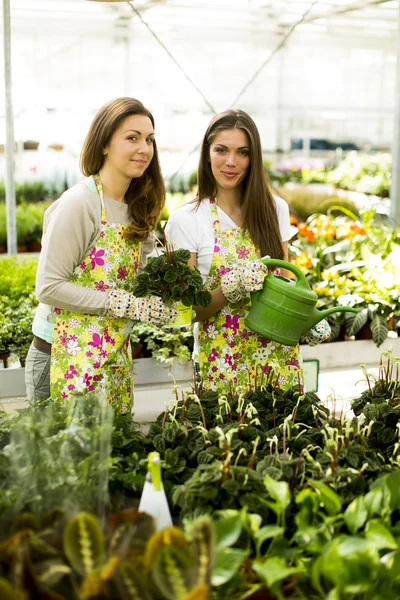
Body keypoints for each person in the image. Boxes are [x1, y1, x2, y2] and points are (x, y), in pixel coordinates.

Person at [25, 97, 175, 413]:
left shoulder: (140, 208)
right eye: (131, 137)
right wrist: (120, 303)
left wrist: (164, 297)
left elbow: (137, 282)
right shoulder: (81, 203)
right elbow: (48, 287)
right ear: (104, 144)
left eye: (149, 139)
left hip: (111, 354)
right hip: (62, 354)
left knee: (110, 456)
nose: (144, 148)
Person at [166, 109, 329, 394]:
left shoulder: (274, 209)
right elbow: (187, 312)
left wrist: (303, 316)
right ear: (206, 153)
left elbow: (282, 284)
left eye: (243, 152)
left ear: (254, 158)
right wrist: (231, 288)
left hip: (279, 362)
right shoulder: (187, 220)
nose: (232, 162)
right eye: (221, 150)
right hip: (220, 366)